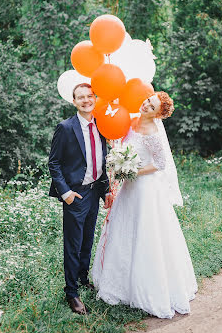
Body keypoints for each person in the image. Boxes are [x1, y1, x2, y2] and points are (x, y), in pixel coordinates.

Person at [92, 91, 198, 318]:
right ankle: (118, 282)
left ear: (158, 114)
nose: (145, 105)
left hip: (145, 188)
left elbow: (160, 164)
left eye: (151, 107)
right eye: (148, 101)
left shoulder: (153, 133)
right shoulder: (131, 121)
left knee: (145, 233)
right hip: (128, 187)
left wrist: (133, 171)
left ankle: (146, 288)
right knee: (122, 228)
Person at [48, 83, 110, 315]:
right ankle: (71, 293)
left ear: (95, 98)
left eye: (89, 96)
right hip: (76, 194)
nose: (86, 100)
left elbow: (102, 161)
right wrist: (66, 193)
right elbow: (54, 162)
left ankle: (83, 279)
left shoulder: (102, 126)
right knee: (73, 244)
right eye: (80, 97)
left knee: (87, 240)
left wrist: (105, 190)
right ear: (74, 101)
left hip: (95, 192)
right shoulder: (65, 128)